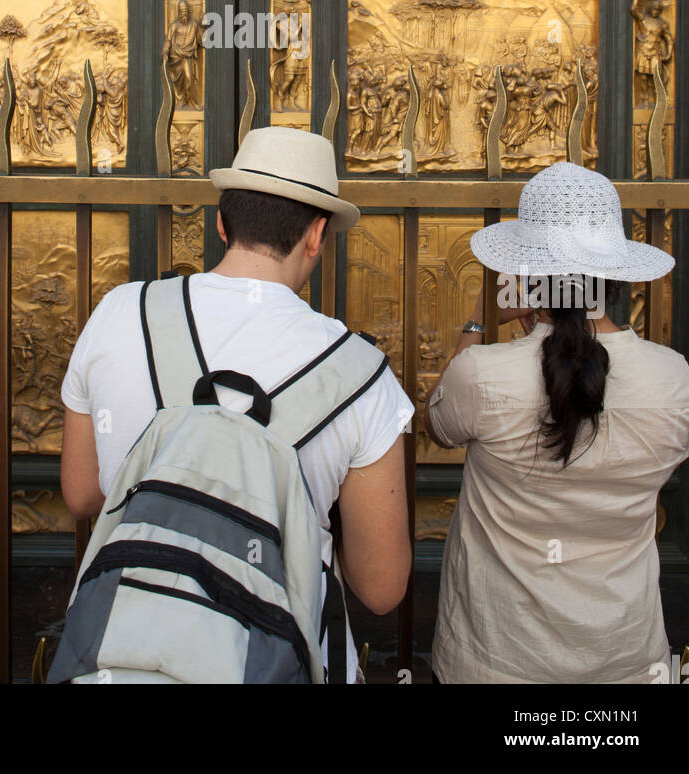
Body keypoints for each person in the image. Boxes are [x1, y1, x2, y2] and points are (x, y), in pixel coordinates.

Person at [59, 127, 413, 682]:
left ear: (222, 223)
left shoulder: (118, 313)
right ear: (317, 234)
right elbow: (382, 587)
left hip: (120, 652)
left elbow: (82, 495)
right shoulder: (361, 374)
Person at [426, 161, 689, 684]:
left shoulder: (482, 375)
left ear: (527, 274)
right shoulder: (674, 379)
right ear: (614, 274)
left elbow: (437, 426)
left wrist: (478, 320)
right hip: (625, 660)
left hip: (493, 660)